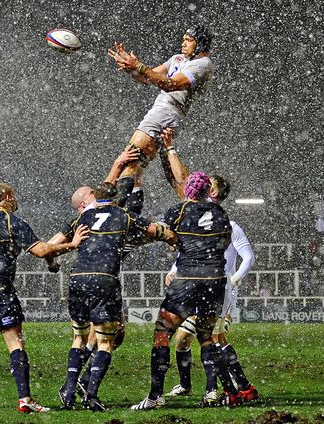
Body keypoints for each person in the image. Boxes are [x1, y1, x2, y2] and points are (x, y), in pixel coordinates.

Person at [0, 183, 89, 413]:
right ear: (7, 198)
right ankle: (25, 400)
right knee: (15, 342)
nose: (15, 201)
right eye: (14, 198)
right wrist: (73, 244)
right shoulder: (12, 222)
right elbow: (41, 251)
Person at [53, 181, 177, 411]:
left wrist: (54, 259)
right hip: (104, 279)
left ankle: (69, 391)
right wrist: (171, 237)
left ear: (95, 197)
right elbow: (154, 230)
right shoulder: (124, 215)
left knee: (78, 339)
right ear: (116, 196)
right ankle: (90, 395)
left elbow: (52, 244)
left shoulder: (83, 219)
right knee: (107, 341)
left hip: (78, 278)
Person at [160, 128, 259, 404]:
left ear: (212, 192)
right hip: (203, 284)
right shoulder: (204, 217)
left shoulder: (224, 221)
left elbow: (247, 256)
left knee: (212, 338)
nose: (199, 185)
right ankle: (237, 388)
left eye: (206, 184)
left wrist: (235, 279)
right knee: (212, 338)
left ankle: (225, 390)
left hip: (218, 286)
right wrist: (175, 269)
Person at [131, 171, 242, 410]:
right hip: (214, 280)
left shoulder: (178, 210)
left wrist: (174, 241)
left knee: (162, 334)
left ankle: (155, 396)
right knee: (206, 336)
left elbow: (160, 232)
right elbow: (223, 244)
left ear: (190, 190)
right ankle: (212, 392)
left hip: (187, 278)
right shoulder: (220, 213)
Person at [107, 25, 214, 209]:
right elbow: (147, 78)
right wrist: (130, 68)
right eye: (183, 39)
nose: (183, 43)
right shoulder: (177, 59)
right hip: (164, 114)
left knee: (129, 160)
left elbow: (170, 84)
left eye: (188, 40)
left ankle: (111, 214)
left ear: (200, 44)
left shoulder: (203, 64)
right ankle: (188, 211)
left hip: (165, 114)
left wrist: (139, 66)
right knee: (139, 169)